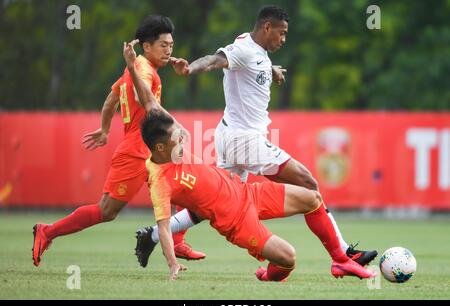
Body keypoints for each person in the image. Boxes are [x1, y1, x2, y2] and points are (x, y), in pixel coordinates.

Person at [124, 40, 376, 281]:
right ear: (159, 147)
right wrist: (171, 263)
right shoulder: (160, 180)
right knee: (289, 256)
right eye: (175, 137)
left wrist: (132, 66)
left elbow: (149, 101)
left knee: (312, 197)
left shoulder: (170, 145)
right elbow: (166, 223)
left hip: (246, 192)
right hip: (237, 217)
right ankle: (271, 273)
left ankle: (341, 259)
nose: (182, 137)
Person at [31, 15, 205, 267]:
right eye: (163, 45)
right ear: (146, 46)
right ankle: (48, 231)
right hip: (137, 150)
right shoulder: (142, 69)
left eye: (171, 45)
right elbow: (140, 94)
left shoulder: (137, 67)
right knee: (106, 211)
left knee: (187, 182)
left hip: (151, 146)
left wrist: (103, 130)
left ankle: (176, 240)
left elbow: (112, 99)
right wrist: (172, 121)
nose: (169, 50)